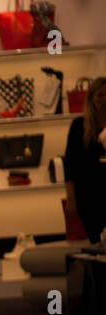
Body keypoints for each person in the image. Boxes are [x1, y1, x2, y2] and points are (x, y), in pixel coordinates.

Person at [66, 76, 106, 245]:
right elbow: (70, 164)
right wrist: (71, 198)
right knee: (96, 241)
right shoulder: (79, 126)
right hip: (88, 193)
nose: (105, 100)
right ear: (92, 98)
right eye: (101, 95)